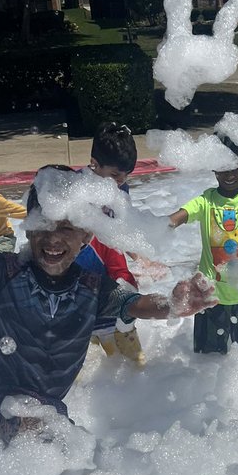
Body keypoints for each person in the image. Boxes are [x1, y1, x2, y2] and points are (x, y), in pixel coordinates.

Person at [0, 165, 215, 443]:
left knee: (69, 462)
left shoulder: (91, 288)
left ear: (86, 236)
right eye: (44, 227)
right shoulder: (5, 272)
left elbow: (132, 304)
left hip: (46, 405)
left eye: (66, 229)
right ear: (29, 228)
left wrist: (171, 306)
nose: (53, 239)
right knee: (38, 445)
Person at [168, 134, 238, 360]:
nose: (230, 174)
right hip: (210, 294)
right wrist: (163, 226)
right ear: (213, 169)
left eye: (236, 167)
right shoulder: (206, 202)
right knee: (208, 359)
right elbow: (179, 216)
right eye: (222, 168)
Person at [75, 121, 147, 368]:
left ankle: (123, 337)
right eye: (116, 174)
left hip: (111, 259)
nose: (122, 181)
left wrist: (139, 254)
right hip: (83, 263)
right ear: (94, 164)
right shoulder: (75, 189)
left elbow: (121, 225)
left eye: (127, 174)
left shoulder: (119, 185)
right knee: (86, 309)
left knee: (126, 294)